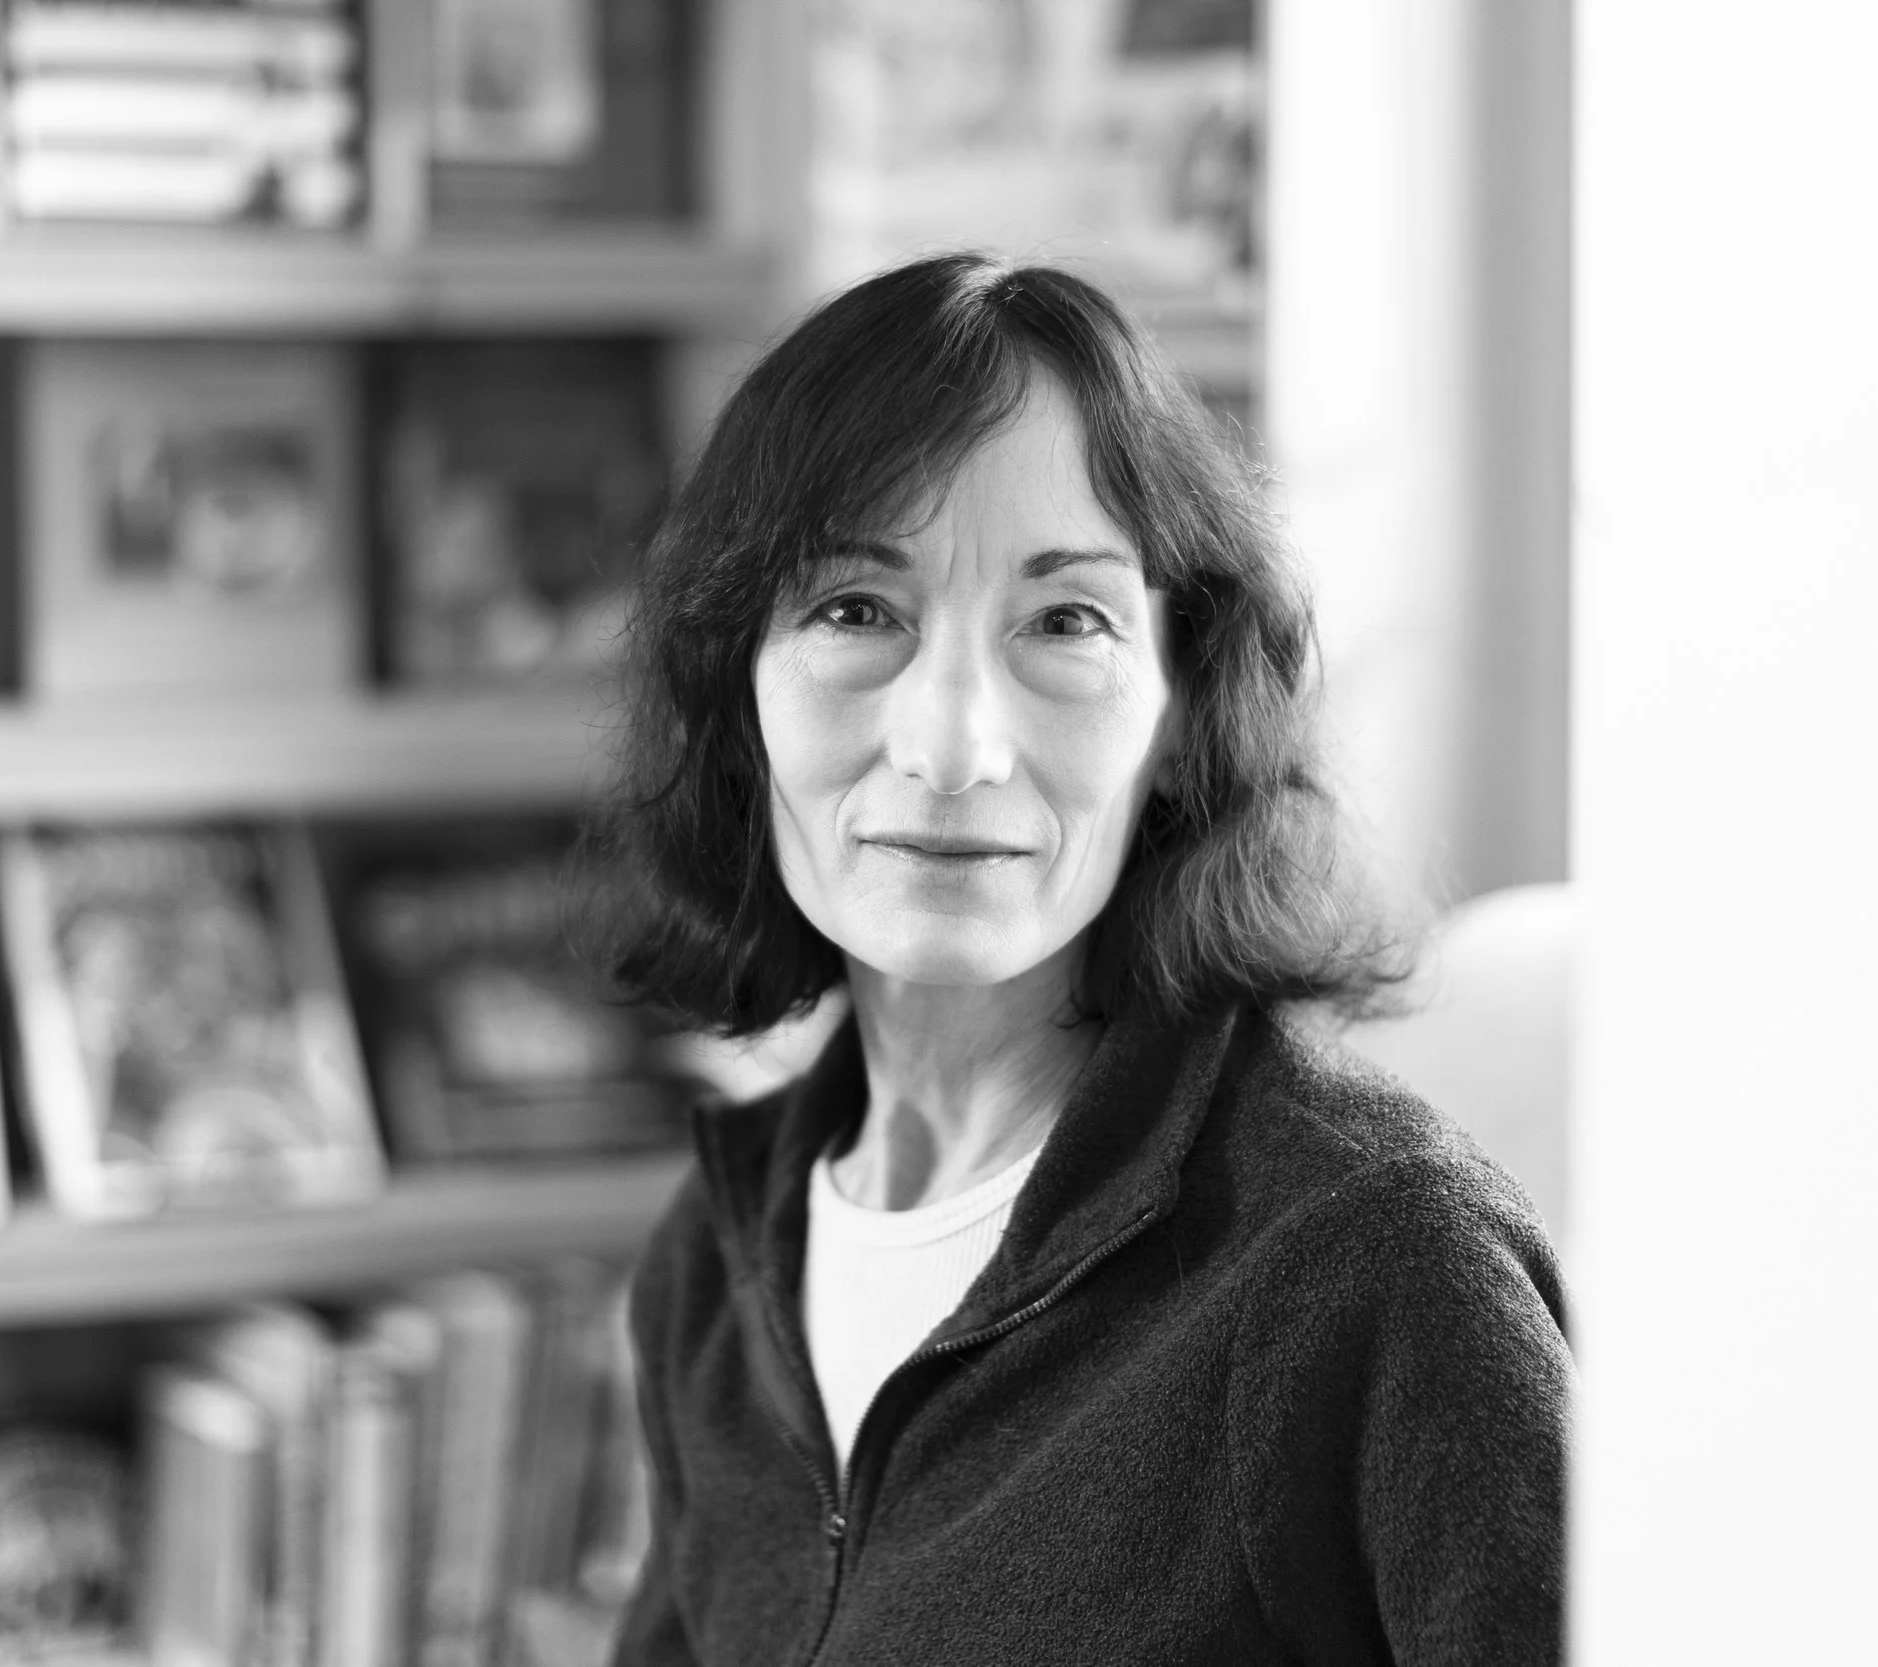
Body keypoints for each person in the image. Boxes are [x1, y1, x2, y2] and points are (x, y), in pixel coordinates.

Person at [598, 253, 1569, 1665]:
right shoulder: (720, 1254)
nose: (950, 747)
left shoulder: (1375, 1257)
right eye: (855, 610)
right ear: (736, 686)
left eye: (1066, 622)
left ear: (1182, 711)